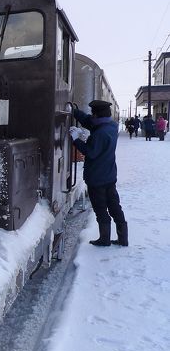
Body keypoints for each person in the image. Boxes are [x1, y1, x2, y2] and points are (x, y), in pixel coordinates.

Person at [69, 100, 127, 246]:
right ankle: (123, 238)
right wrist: (75, 112)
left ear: (96, 115)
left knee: (100, 208)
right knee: (115, 206)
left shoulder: (100, 132)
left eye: (92, 114)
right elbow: (89, 122)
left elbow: (91, 152)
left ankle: (104, 239)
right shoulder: (111, 126)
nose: (91, 117)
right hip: (109, 175)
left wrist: (76, 139)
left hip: (96, 178)